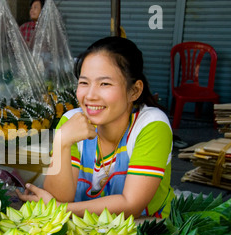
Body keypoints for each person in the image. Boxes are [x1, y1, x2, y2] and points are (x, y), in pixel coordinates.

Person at [17, 36, 175, 219]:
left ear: (134, 91)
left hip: (145, 234)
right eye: (84, 83)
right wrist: (62, 142)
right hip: (84, 232)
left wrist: (61, 209)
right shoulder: (71, 121)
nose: (90, 95)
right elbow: (60, 197)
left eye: (105, 84)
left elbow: (131, 204)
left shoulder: (151, 125)